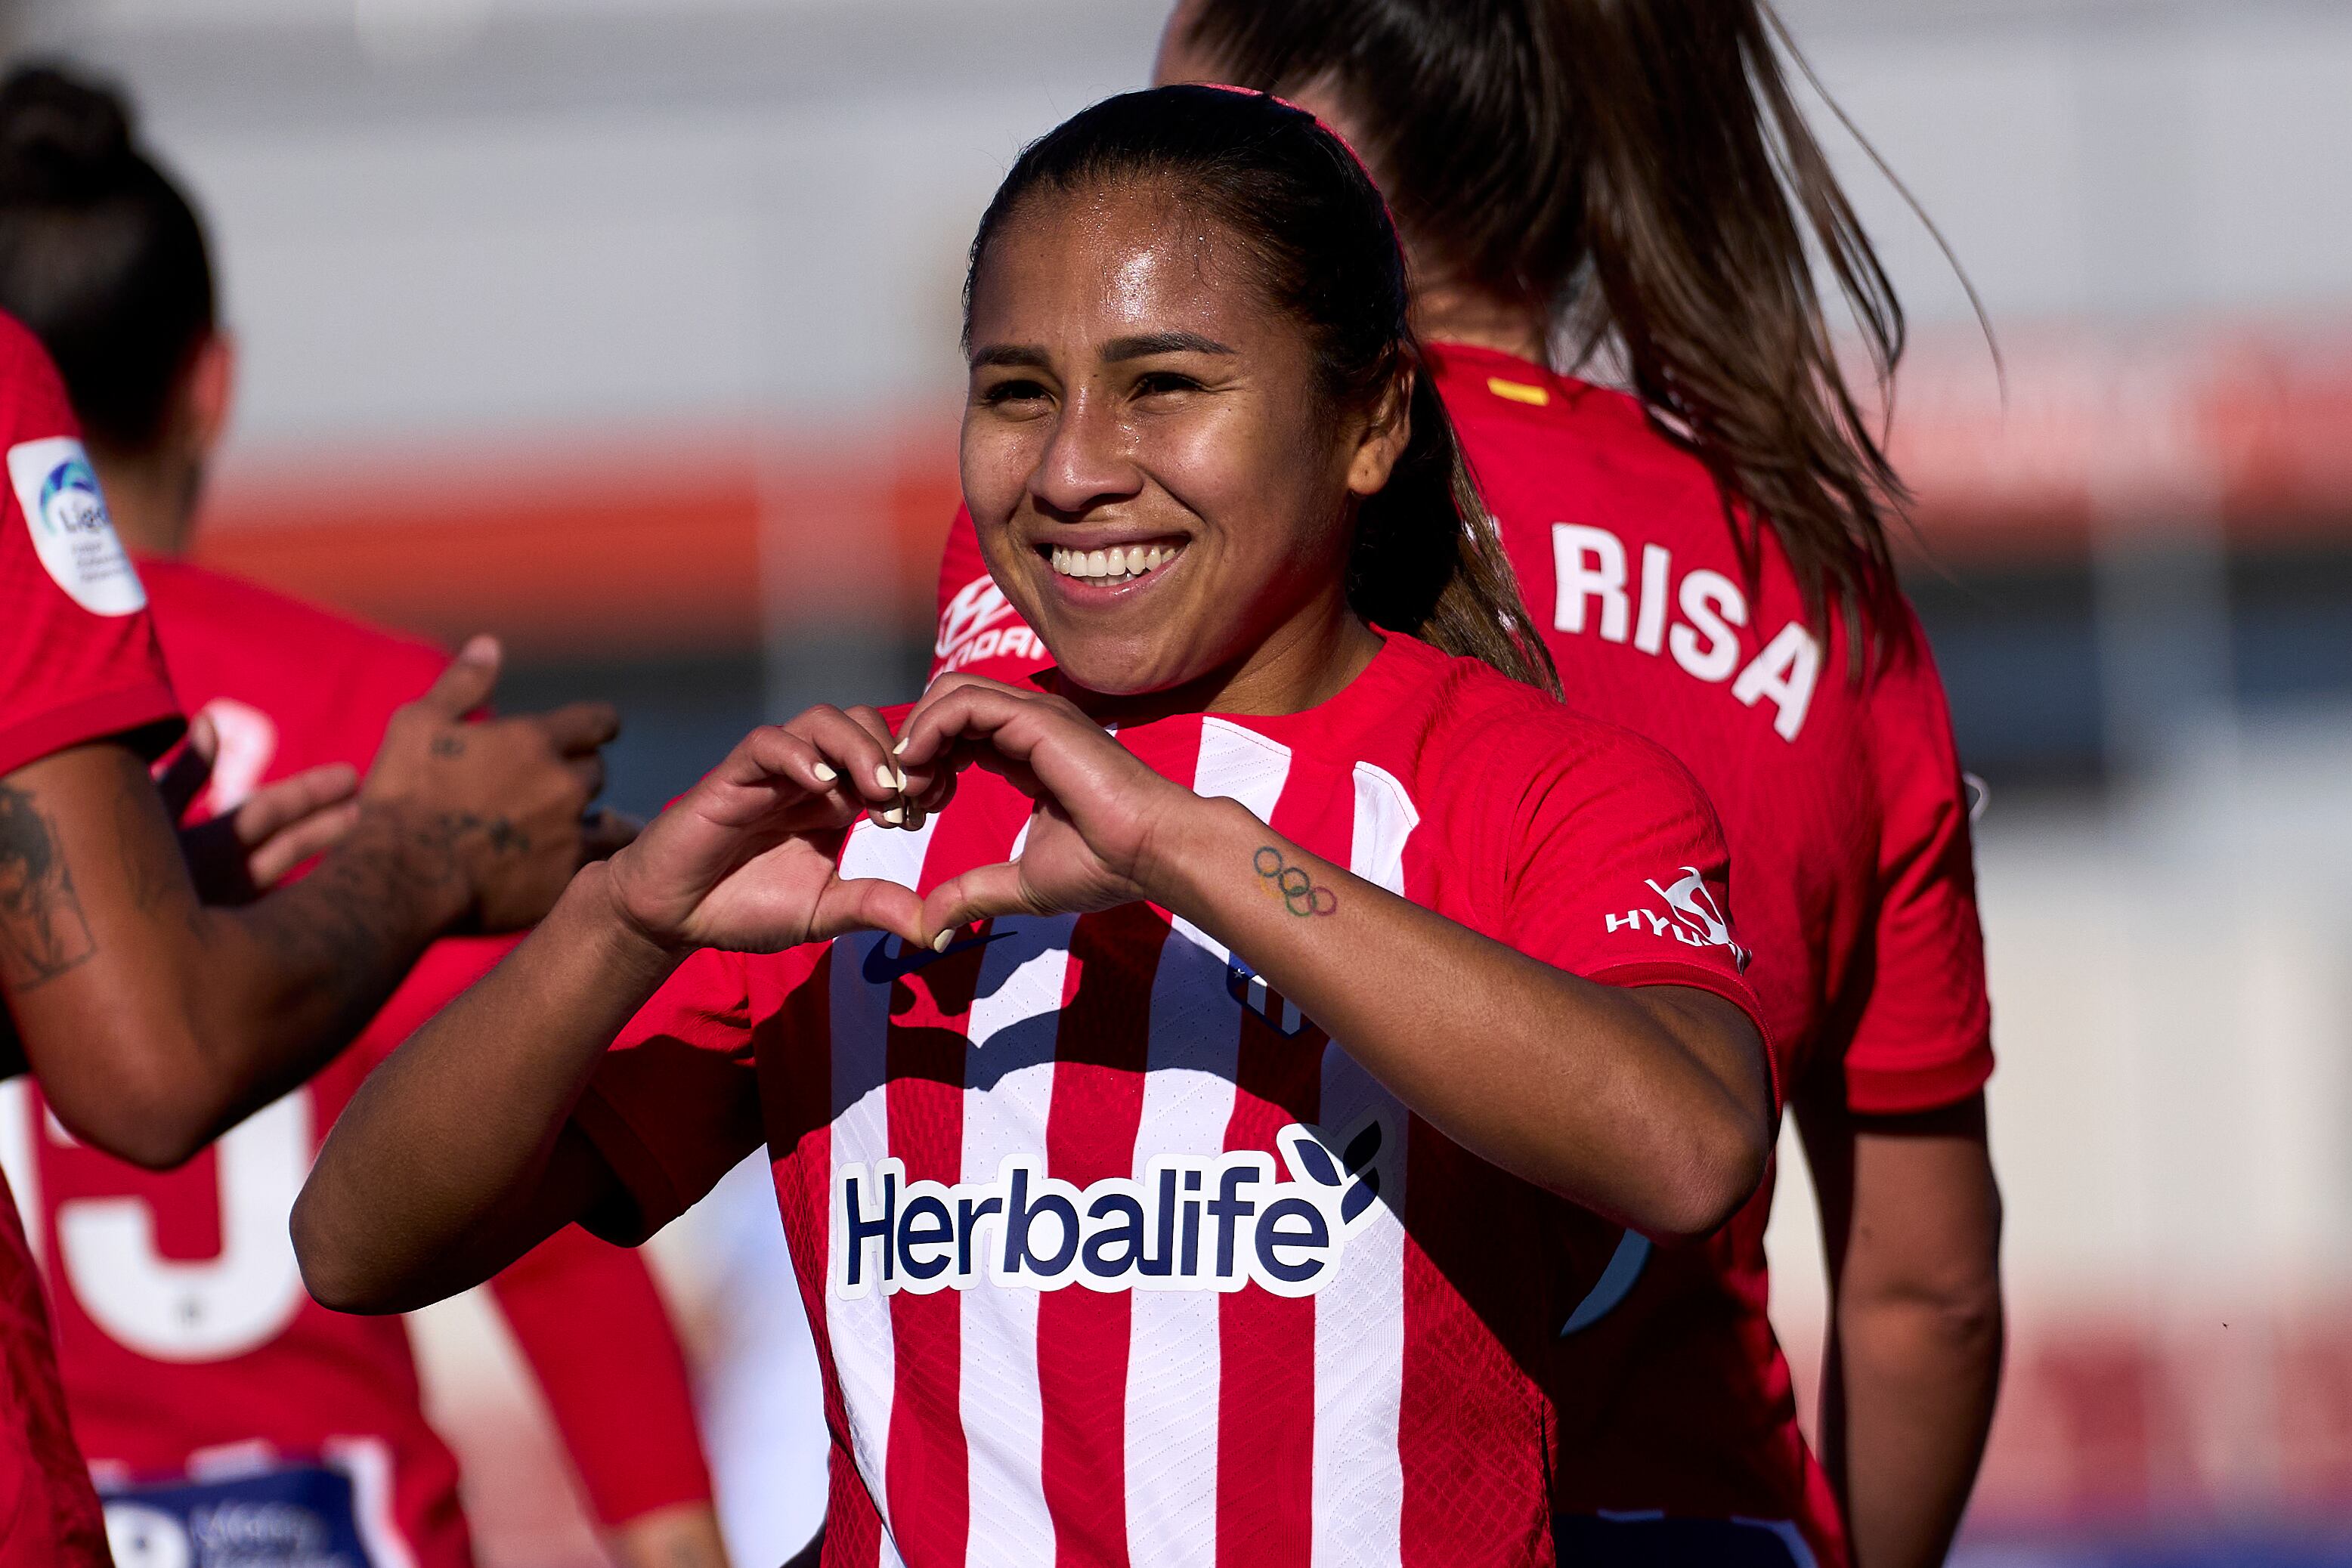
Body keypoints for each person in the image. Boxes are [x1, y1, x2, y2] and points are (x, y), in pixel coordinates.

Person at [292, 85, 1778, 1567]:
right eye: (1015, 393)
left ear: (1370, 419)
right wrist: (613, 924)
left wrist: (1184, 845)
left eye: (1164, 386)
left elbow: (1687, 1147)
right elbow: (355, 1247)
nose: (1071, 468)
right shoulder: (858, 828)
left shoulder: (1530, 784)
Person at [927, 5, 2006, 1566]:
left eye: (1204, 143)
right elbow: (1925, 1294)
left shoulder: (1127, 530)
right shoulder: (1820, 591)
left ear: (1331, 169)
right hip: (1702, 1519)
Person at [0, 63, 732, 1568]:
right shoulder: (372, 713)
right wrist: (672, 1540)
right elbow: (536, 1192)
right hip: (318, 1524)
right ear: (211, 380)